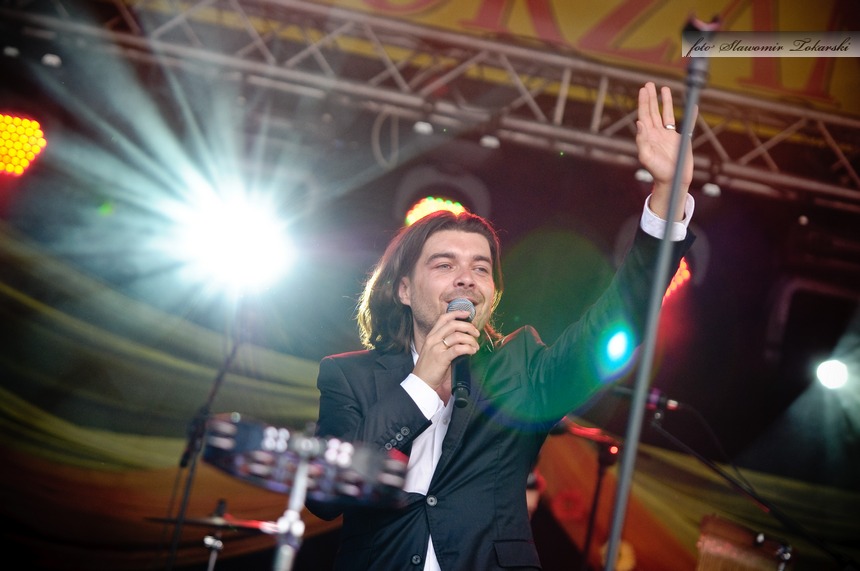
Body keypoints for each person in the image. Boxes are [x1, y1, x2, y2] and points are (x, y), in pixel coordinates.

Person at [307, 81, 697, 571]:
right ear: (403, 289)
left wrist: (668, 198)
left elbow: (620, 316)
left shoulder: (522, 370)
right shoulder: (349, 377)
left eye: (481, 268)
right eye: (444, 264)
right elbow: (324, 496)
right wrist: (420, 387)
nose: (466, 278)